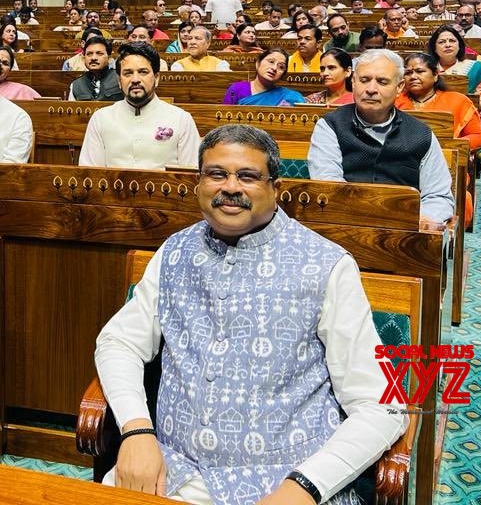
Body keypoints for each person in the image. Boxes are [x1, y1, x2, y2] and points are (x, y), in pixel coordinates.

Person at [95, 124, 406, 504]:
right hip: (171, 470)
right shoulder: (176, 250)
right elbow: (118, 341)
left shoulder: (325, 264)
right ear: (198, 183)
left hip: (284, 483)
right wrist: (136, 431)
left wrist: (305, 486)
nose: (230, 187)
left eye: (248, 176)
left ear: (276, 188)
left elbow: (383, 404)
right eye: (216, 174)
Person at [307, 49, 455, 231]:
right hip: (344, 224)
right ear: (353, 82)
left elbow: (438, 196)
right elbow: (329, 186)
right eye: (364, 80)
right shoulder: (330, 126)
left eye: (382, 82)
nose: (371, 89)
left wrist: (421, 220)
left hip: (405, 232)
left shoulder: (421, 134)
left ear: (400, 86)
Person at [396, 52, 481, 224]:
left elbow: (479, 137)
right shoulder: (394, 102)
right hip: (401, 164)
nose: (413, 76)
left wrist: (449, 146)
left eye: (420, 71)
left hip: (445, 165)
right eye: (408, 73)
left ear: (436, 75)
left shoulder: (458, 101)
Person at [79, 43, 199, 169]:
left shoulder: (181, 119)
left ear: (156, 78)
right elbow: (89, 173)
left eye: (143, 72)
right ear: (119, 81)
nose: (135, 79)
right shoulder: (101, 118)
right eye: (128, 73)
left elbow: (192, 174)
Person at [222, 49, 306, 106]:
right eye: (271, 62)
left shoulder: (291, 97)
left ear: (283, 74)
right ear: (258, 63)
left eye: (281, 67)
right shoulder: (237, 89)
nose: (274, 68)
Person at [69, 37, 123, 101]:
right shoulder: (76, 84)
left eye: (99, 53)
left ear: (109, 57)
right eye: (89, 54)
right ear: (84, 58)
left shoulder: (120, 78)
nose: (93, 58)